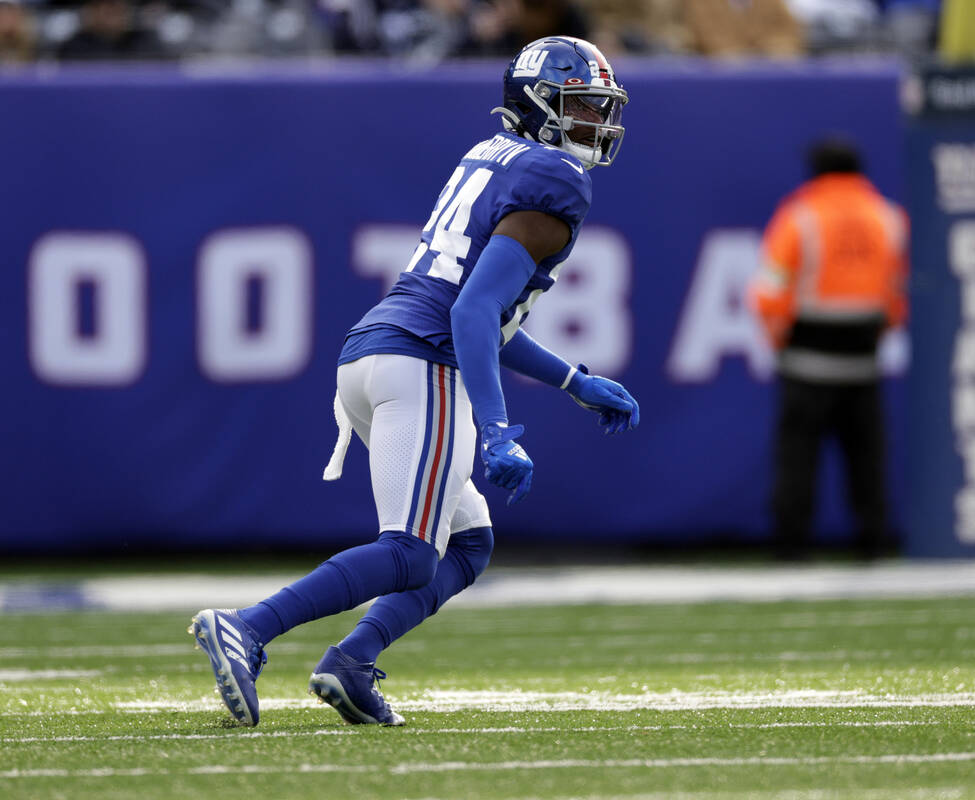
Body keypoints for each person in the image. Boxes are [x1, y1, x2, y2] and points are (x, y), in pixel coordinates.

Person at [190, 35, 638, 728]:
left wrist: (573, 381)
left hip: (375, 352)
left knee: (466, 543)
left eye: (596, 106)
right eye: (579, 104)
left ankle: (351, 662)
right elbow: (474, 311)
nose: (594, 121)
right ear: (537, 102)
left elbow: (488, 314)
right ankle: (247, 628)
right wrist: (497, 431)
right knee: (408, 552)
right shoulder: (556, 178)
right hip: (421, 361)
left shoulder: (493, 155)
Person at [748, 136, 907, 562]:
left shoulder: (800, 217)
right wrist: (879, 331)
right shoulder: (889, 218)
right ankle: (873, 543)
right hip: (863, 362)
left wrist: (779, 340)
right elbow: (899, 295)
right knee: (867, 459)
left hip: (805, 361)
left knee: (798, 459)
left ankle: (791, 546)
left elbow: (768, 292)